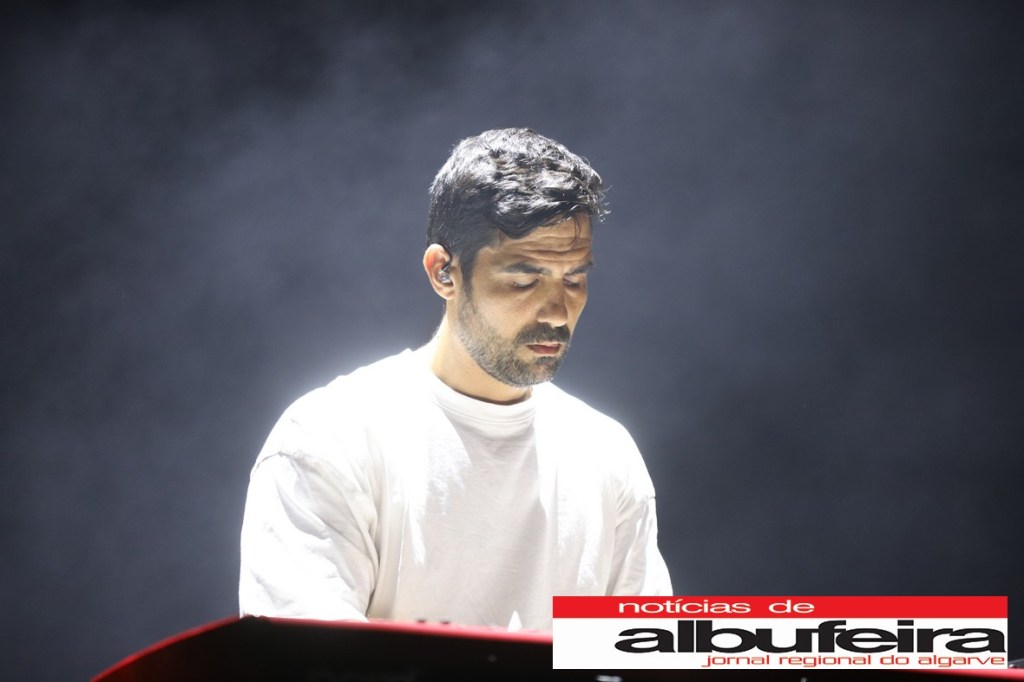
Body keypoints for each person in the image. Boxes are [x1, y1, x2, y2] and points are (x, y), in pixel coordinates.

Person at [239, 128, 671, 630]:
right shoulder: (331, 438)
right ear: (443, 271)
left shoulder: (606, 454)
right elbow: (304, 661)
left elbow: (638, 656)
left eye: (574, 278)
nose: (557, 311)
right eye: (524, 280)